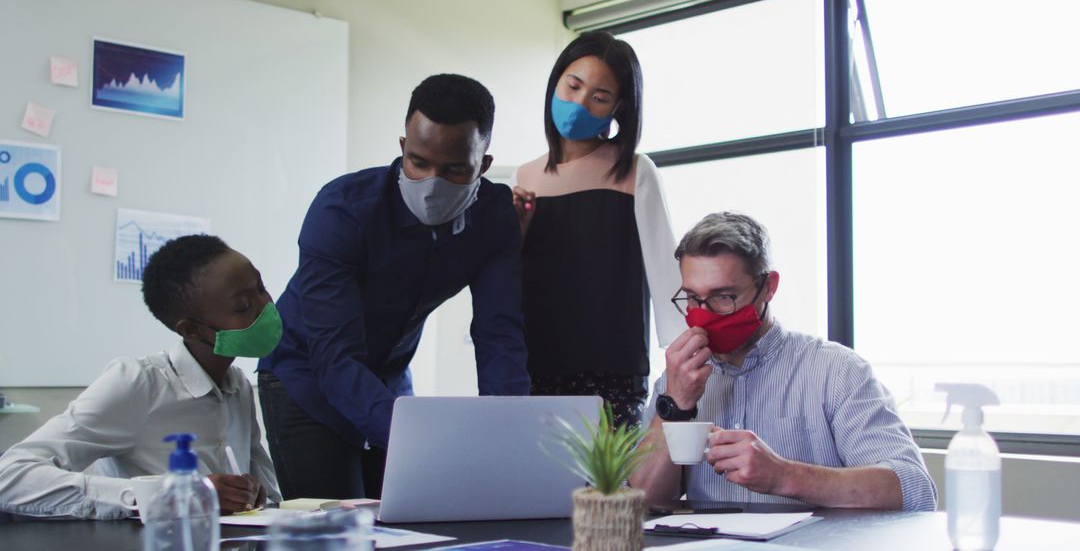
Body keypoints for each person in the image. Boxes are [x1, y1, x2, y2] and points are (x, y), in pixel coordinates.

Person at [258, 74, 531, 500]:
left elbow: (499, 334)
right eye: (419, 162)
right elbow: (334, 355)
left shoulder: (494, 216)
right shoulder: (343, 210)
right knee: (335, 530)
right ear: (402, 147)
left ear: (484, 165)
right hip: (306, 374)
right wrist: (415, 434)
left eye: (456, 169)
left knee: (401, 520)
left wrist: (507, 428)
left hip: (387, 375)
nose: (431, 183)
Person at [630, 212, 937, 511]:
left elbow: (913, 489)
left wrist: (785, 476)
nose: (702, 313)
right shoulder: (679, 379)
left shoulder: (836, 371)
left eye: (723, 296)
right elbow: (642, 500)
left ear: (768, 287)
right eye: (693, 298)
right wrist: (674, 405)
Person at [0, 235, 281, 519]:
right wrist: (167, 496)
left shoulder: (238, 386)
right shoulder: (138, 383)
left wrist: (255, 496)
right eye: (243, 307)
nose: (266, 306)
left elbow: (268, 498)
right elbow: (10, 477)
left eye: (261, 288)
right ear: (191, 330)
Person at [511, 31, 682, 428]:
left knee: (611, 488)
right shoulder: (526, 175)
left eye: (599, 97)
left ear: (618, 108)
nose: (579, 103)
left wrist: (683, 356)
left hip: (612, 372)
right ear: (556, 81)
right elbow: (518, 275)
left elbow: (665, 272)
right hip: (537, 365)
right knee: (541, 487)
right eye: (573, 86)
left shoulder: (636, 171)